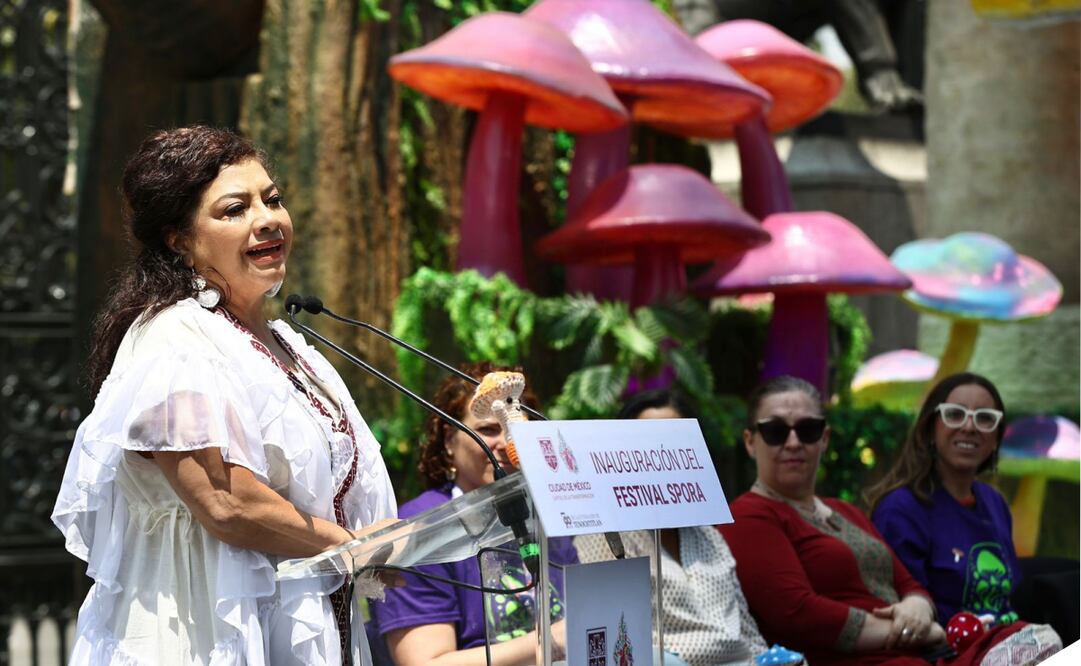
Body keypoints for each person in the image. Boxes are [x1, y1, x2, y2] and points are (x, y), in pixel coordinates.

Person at [51, 126, 397, 665]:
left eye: (272, 199)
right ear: (179, 239)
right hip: (198, 631)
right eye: (234, 209)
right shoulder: (174, 340)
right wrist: (350, 546)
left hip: (306, 620)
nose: (267, 219)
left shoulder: (290, 345)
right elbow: (224, 502)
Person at [719, 375, 1058, 666]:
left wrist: (917, 607)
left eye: (808, 430)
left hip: (924, 652)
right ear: (751, 442)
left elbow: (909, 583)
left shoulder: (844, 510)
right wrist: (915, 632)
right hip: (865, 659)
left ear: (824, 439)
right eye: (776, 431)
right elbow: (798, 614)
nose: (793, 442)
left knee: (1048, 641)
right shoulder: (750, 515)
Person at [370, 362, 577, 665]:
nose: (507, 443)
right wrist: (550, 640)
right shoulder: (421, 526)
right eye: (488, 430)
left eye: (517, 428)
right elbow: (425, 662)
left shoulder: (548, 513)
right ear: (448, 441)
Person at [575, 389, 769, 666]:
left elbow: (748, 631)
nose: (658, 457)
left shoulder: (708, 535)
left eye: (670, 443)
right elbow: (612, 640)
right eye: (644, 445)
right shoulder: (606, 537)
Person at [866, 373, 1020, 625]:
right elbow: (902, 613)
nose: (969, 427)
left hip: (1011, 643)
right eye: (955, 414)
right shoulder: (900, 510)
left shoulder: (995, 503)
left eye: (984, 419)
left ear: (996, 439)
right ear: (930, 428)